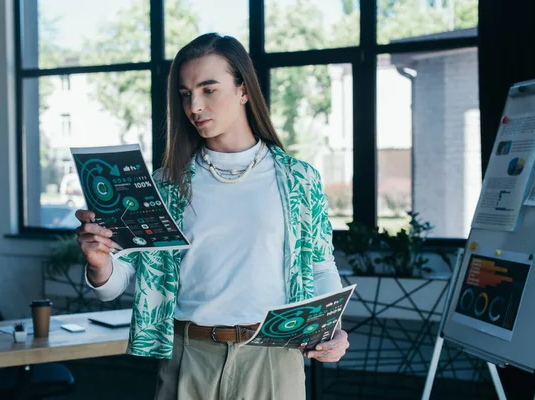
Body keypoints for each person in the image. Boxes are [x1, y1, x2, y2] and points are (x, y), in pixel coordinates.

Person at [74, 33, 349, 400]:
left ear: (243, 90)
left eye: (208, 89)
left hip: (273, 361)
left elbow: (320, 267)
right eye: (186, 94)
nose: (195, 106)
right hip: (188, 357)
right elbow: (113, 285)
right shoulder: (164, 185)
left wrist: (332, 328)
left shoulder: (299, 180)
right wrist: (98, 262)